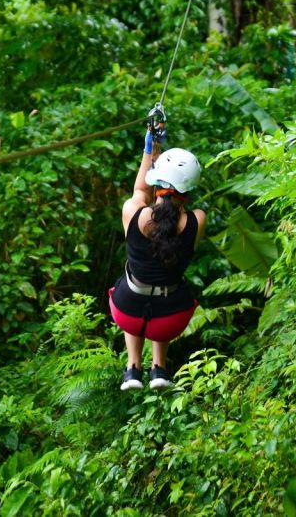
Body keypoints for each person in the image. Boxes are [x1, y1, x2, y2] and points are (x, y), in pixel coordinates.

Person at [109, 122, 206, 391]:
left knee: (132, 284)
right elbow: (171, 215)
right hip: (170, 319)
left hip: (128, 312)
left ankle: (132, 369)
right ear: (188, 191)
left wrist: (149, 147)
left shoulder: (133, 213)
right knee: (166, 285)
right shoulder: (197, 220)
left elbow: (140, 191)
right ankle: (159, 368)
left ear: (157, 182)